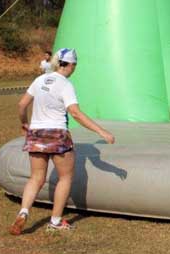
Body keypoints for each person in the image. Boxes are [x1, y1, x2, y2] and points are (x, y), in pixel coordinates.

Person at [9, 48, 115, 235]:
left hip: (36, 133)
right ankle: (55, 221)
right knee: (65, 177)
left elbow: (21, 104)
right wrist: (101, 131)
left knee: (36, 178)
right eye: (75, 64)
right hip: (57, 134)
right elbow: (75, 113)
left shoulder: (39, 79)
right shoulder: (65, 84)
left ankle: (23, 212)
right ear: (71, 65)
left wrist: (24, 123)